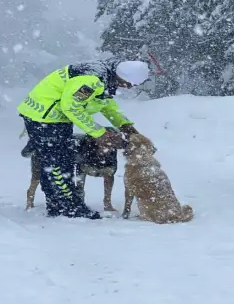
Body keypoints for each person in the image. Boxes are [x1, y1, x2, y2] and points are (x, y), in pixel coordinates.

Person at [17, 58, 151, 219]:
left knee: (58, 161)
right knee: (57, 164)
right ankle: (70, 207)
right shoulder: (91, 80)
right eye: (130, 84)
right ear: (123, 77)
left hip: (55, 118)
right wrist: (99, 133)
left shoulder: (106, 77)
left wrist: (126, 126)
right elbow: (71, 106)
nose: (129, 87)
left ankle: (56, 205)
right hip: (43, 117)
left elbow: (106, 106)